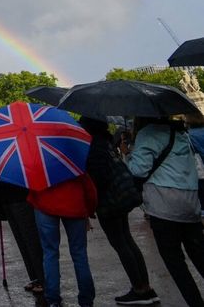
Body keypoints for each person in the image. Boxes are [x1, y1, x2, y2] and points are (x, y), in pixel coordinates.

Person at [80, 117, 157, 305]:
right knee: (127, 241)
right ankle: (144, 287)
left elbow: (100, 175)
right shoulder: (105, 141)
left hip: (108, 201)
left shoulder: (93, 144)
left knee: (120, 244)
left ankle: (139, 289)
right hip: (119, 197)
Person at [128, 116, 204, 307]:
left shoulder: (147, 134)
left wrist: (127, 156)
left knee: (176, 263)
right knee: (200, 254)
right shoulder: (181, 134)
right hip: (190, 203)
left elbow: (138, 171)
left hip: (164, 206)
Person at [28, 173, 98, 307]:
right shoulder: (71, 156)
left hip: (44, 203)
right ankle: (86, 299)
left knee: (50, 253)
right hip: (74, 203)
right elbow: (89, 187)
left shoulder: (39, 159)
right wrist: (89, 210)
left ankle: (53, 299)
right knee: (80, 254)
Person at [0, 180, 45, 296]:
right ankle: (34, 278)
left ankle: (42, 279)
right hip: (6, 200)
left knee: (31, 240)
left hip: (21, 198)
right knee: (22, 241)